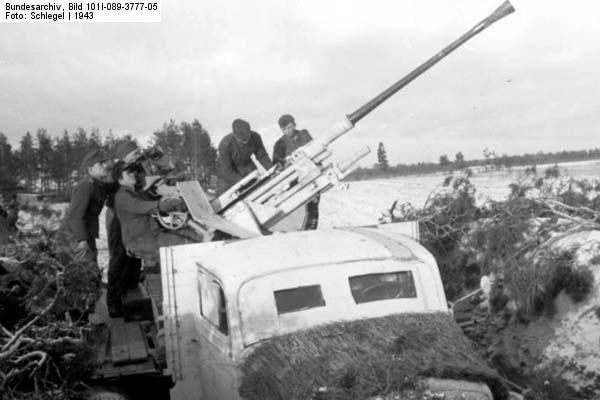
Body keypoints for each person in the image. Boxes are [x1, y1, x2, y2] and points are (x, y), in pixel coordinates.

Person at [113, 161, 205, 266]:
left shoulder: (137, 193)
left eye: (133, 171)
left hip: (154, 234)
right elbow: (147, 207)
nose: (133, 173)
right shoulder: (122, 196)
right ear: (120, 178)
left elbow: (158, 203)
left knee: (195, 235)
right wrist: (170, 203)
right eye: (129, 172)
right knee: (186, 246)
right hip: (140, 240)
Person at [104, 141, 143, 318]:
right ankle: (113, 300)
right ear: (124, 154)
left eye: (137, 152)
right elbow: (111, 194)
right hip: (118, 218)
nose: (137, 155)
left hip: (133, 216)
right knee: (119, 257)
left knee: (134, 255)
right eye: (133, 152)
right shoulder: (116, 170)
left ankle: (130, 293)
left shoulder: (136, 167)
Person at [57, 149, 113, 266]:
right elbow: (75, 216)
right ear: (90, 168)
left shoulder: (99, 185)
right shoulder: (85, 186)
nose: (105, 166)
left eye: (104, 163)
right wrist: (82, 240)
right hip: (74, 236)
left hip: (85, 234)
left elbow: (114, 186)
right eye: (100, 164)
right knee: (85, 271)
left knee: (89, 269)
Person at [272, 114, 320, 230]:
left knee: (313, 205)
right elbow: (276, 164)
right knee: (300, 207)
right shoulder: (279, 144)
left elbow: (315, 149)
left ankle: (312, 230)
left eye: (289, 127)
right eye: (284, 129)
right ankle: (300, 231)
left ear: (294, 124)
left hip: (312, 175)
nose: (287, 131)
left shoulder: (304, 135)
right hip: (295, 180)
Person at [217, 118, 273, 193]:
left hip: (247, 165)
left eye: (248, 138)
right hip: (228, 172)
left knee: (259, 185)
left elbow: (262, 156)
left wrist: (272, 170)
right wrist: (243, 183)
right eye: (242, 141)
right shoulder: (225, 145)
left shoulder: (255, 136)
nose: (246, 142)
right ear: (235, 135)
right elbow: (227, 171)